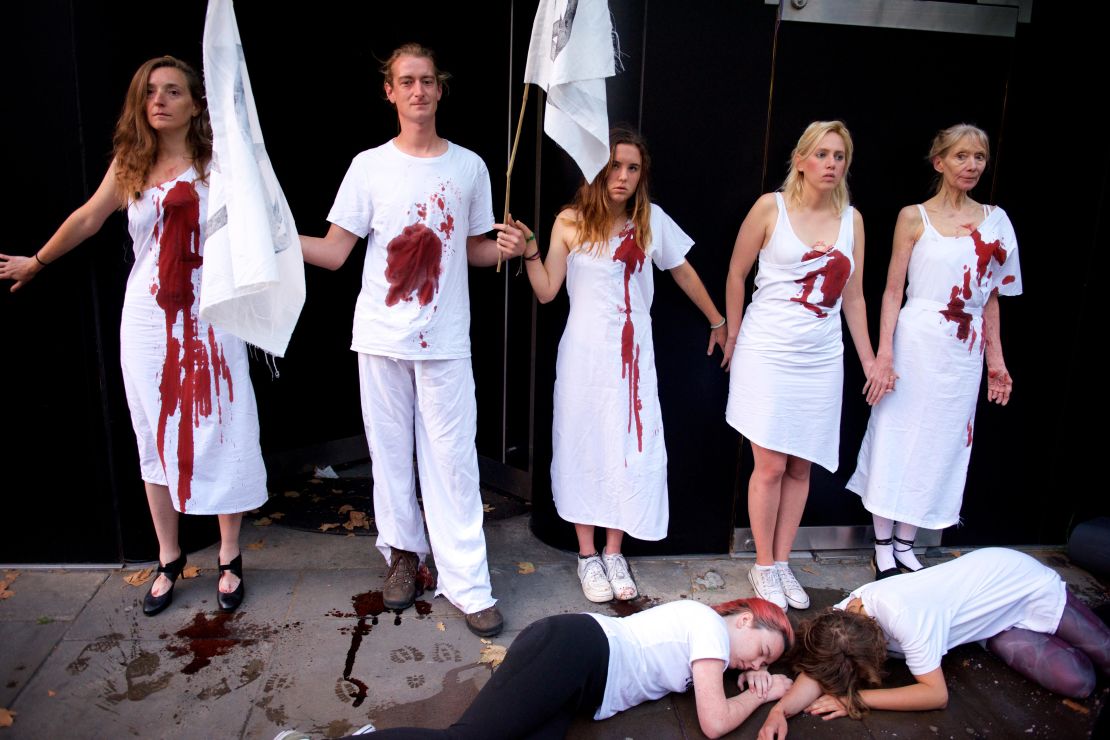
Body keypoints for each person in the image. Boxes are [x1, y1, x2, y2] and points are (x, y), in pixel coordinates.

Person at [0, 56, 267, 615]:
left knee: (224, 426)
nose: (160, 101)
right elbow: (89, 218)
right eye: (150, 93)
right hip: (147, 320)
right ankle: (169, 557)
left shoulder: (220, 162)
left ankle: (229, 555)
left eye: (173, 91)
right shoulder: (132, 160)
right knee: (153, 436)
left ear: (196, 104)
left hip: (212, 315)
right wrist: (37, 262)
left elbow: (264, 224)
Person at [298, 44, 524, 637]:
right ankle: (403, 556)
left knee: (452, 461)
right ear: (390, 92)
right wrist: (269, 238)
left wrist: (503, 249)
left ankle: (468, 583)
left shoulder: (469, 166)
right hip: (380, 337)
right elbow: (334, 251)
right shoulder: (368, 166)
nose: (418, 90)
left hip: (445, 340)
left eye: (427, 80)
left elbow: (473, 250)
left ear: (440, 90)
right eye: (407, 81)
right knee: (391, 454)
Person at [517, 128, 726, 603]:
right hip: (583, 359)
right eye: (615, 165)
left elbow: (682, 270)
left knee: (627, 448)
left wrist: (717, 319)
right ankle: (587, 556)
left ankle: (615, 551)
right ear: (598, 167)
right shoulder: (570, 222)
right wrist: (529, 247)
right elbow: (548, 289)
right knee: (583, 445)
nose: (624, 176)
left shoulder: (648, 221)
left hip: (632, 364)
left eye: (633, 168)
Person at [846, 124, 1021, 579]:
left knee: (942, 442)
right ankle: (881, 545)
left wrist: (995, 362)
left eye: (979, 157)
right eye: (961, 156)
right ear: (940, 161)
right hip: (916, 338)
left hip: (962, 351)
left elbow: (993, 296)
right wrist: (884, 355)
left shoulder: (996, 220)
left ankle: (907, 543)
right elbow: (891, 290)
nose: (971, 165)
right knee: (897, 433)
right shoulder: (913, 217)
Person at [723, 121, 881, 612]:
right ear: (801, 160)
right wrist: (732, 334)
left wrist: (870, 358)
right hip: (768, 351)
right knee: (769, 464)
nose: (831, 164)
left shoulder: (851, 221)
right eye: (822, 154)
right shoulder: (772, 208)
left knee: (800, 465)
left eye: (839, 156)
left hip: (821, 357)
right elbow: (735, 273)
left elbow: (853, 297)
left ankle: (783, 560)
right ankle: (763, 564)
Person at [313, 597, 793, 739]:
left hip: (578, 673)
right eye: (762, 651)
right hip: (576, 649)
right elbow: (713, 723)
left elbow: (718, 679)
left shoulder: (708, 639)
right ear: (746, 618)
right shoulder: (709, 627)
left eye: (763, 665)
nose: (755, 663)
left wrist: (744, 674)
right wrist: (760, 694)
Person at [756, 548, 1110, 738]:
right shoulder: (844, 613)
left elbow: (935, 695)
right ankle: (987, 631)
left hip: (1020, 583)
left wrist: (852, 699)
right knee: (1079, 682)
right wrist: (780, 711)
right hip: (992, 621)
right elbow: (821, 666)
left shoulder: (908, 622)